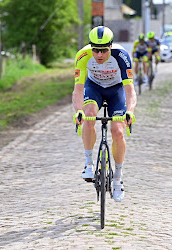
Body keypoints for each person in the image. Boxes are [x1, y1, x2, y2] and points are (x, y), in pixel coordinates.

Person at [72, 26, 137, 202]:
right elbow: (78, 90)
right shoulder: (83, 56)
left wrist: (130, 112)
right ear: (90, 47)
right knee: (89, 114)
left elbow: (130, 90)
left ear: (110, 46)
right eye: (95, 50)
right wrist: (78, 110)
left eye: (103, 50)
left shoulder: (121, 56)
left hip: (116, 91)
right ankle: (88, 163)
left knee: (117, 130)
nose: (99, 55)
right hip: (94, 89)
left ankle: (117, 177)